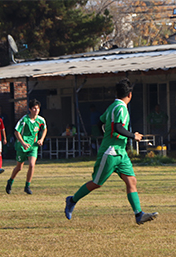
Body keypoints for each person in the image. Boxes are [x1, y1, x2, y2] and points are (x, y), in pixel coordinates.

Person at [64, 78, 158, 225]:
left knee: (131, 181)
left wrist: (106, 134)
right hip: (110, 152)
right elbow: (117, 128)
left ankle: (139, 214)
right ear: (130, 95)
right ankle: (71, 200)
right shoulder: (120, 108)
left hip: (120, 152)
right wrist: (134, 136)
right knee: (97, 183)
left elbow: (101, 122)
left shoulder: (113, 106)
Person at [6, 99, 47, 195]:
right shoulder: (24, 120)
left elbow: (44, 129)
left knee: (32, 165)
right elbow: (16, 132)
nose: (36, 110)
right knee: (19, 167)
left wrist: (41, 139)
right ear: (30, 109)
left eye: (37, 108)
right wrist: (23, 143)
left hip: (33, 146)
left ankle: (27, 186)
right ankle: (10, 181)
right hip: (22, 146)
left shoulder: (40, 120)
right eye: (34, 108)